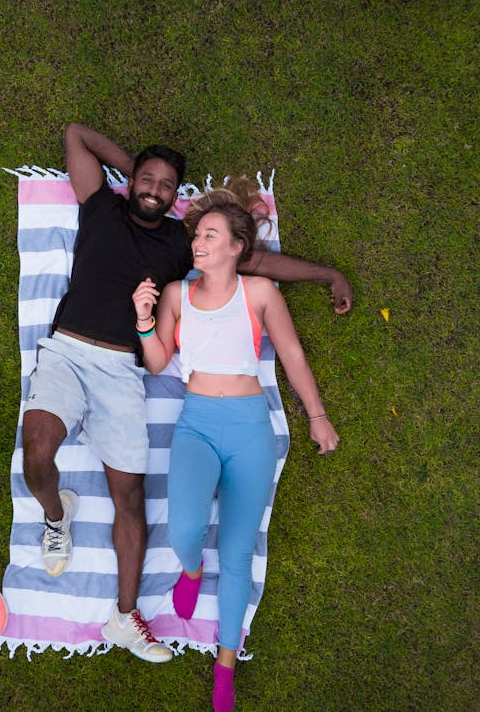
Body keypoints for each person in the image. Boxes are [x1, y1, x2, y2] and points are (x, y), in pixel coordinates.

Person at [20, 123, 351, 663]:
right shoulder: (100, 205)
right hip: (66, 352)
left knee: (130, 497)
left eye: (167, 185)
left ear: (179, 198)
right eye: (146, 179)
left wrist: (326, 274)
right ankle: (57, 515)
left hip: (124, 372)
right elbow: (75, 135)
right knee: (37, 446)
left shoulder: (182, 245)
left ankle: (124, 618)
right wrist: (137, 173)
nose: (154, 189)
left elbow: (259, 264)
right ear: (128, 180)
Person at [131, 178, 339, 710]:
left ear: (236, 247)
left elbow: (291, 355)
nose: (197, 243)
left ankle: (225, 664)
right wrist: (145, 320)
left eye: (209, 235)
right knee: (185, 529)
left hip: (249, 427)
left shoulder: (260, 293)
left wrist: (317, 417)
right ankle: (191, 569)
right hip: (197, 422)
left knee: (238, 551)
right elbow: (158, 363)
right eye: (197, 235)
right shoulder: (179, 293)